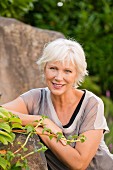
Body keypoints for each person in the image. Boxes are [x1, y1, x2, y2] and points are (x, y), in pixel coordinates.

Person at [2, 38, 113, 170]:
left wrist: (42, 131)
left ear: (77, 74)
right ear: (44, 68)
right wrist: (41, 121)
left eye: (67, 71)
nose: (58, 77)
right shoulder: (35, 97)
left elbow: (79, 164)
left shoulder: (91, 103)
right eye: (53, 68)